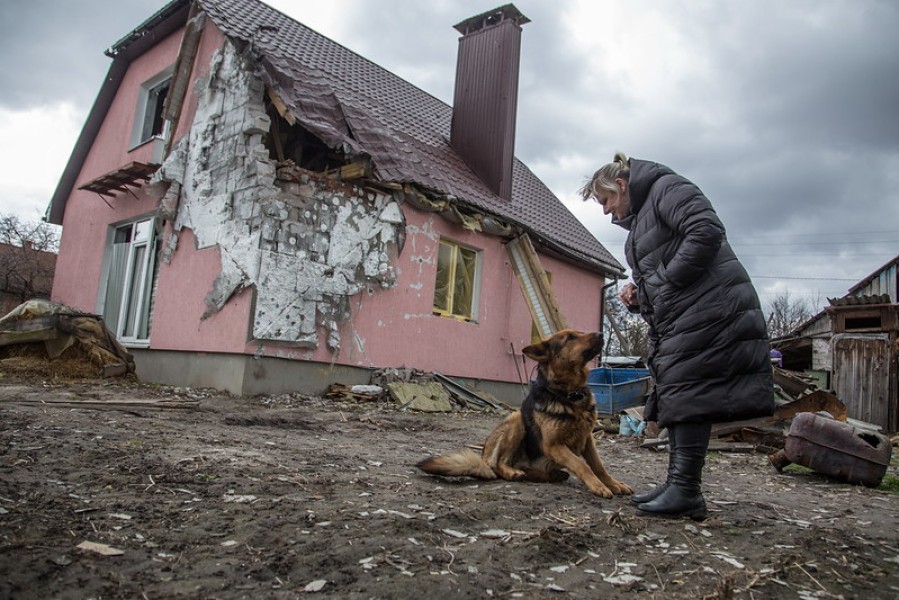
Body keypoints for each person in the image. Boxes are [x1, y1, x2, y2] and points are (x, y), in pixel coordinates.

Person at [580, 152, 774, 520]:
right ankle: (680, 486)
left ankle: (685, 490)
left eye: (606, 200)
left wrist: (661, 282)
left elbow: (706, 231)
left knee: (689, 390)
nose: (605, 210)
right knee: (685, 393)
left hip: (713, 309)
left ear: (621, 185)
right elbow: (660, 282)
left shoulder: (666, 188)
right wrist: (638, 297)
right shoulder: (642, 224)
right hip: (688, 314)